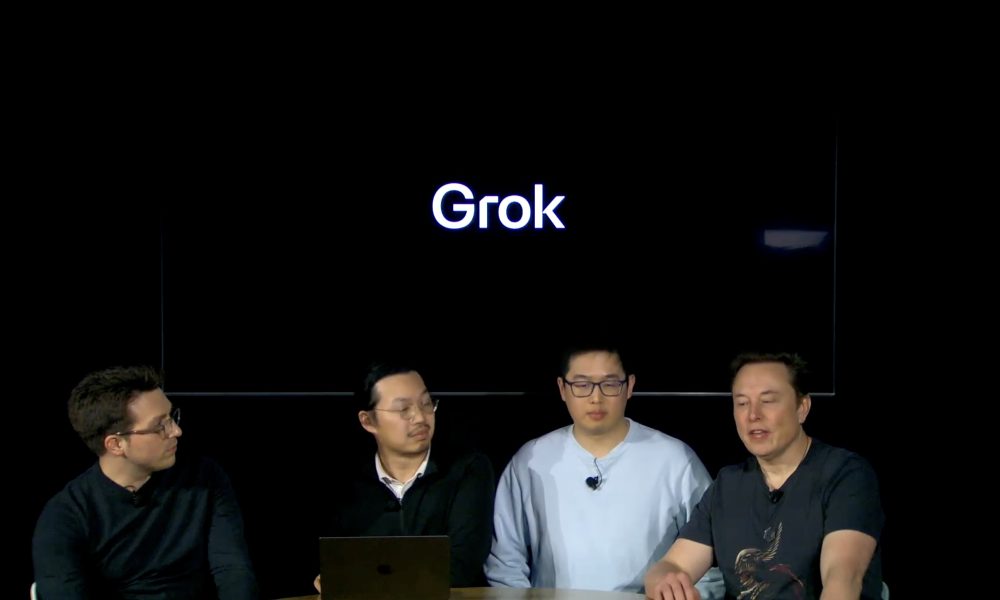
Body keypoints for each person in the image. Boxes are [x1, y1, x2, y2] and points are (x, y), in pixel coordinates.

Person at [486, 343, 724, 597]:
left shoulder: (675, 460)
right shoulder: (531, 461)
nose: (595, 398)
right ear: (562, 388)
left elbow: (714, 558)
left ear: (629, 386)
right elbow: (505, 565)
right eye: (582, 385)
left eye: (609, 384)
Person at [644, 352, 884, 599]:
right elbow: (672, 566)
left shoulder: (847, 476)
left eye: (768, 401)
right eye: (742, 403)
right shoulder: (728, 485)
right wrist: (664, 579)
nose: (753, 415)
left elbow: (843, 579)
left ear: (802, 408)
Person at [32, 366, 258, 599]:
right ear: (116, 445)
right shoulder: (64, 518)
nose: (176, 431)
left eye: (172, 417)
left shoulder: (204, 477)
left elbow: (233, 570)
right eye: (160, 426)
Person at [314, 362, 495, 593]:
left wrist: (364, 580)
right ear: (368, 421)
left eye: (426, 403)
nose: (420, 417)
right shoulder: (345, 485)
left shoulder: (467, 469)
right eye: (403, 409)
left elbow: (461, 565)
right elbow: (334, 565)